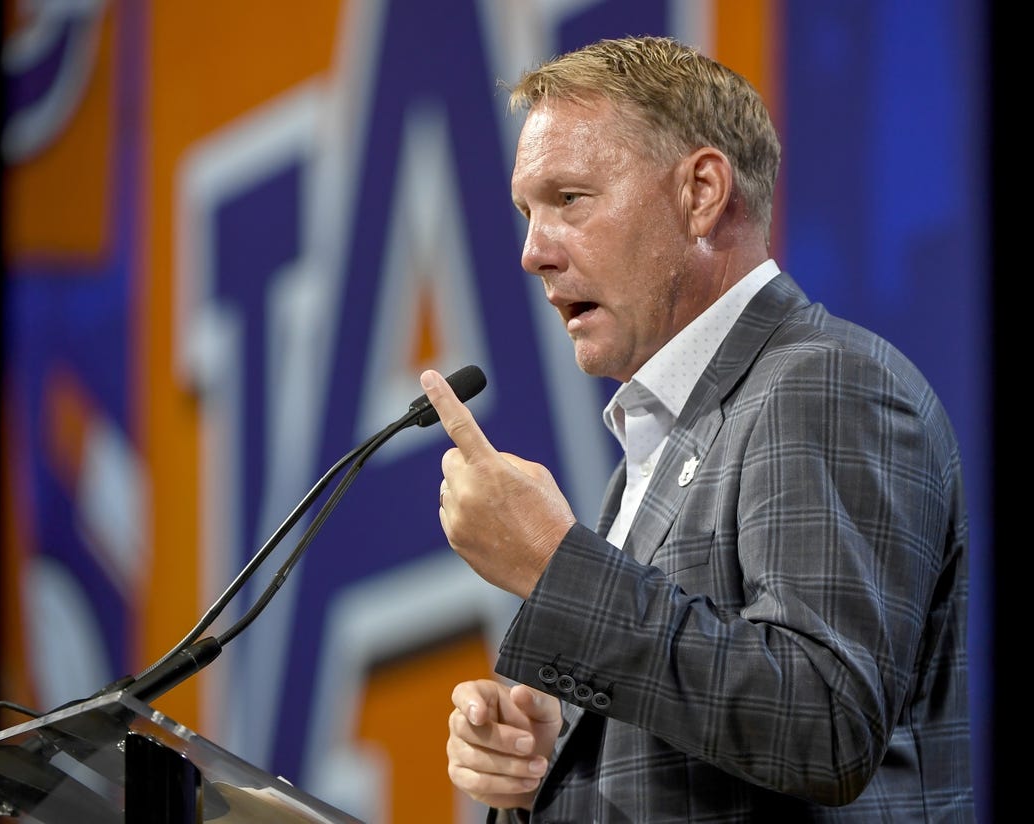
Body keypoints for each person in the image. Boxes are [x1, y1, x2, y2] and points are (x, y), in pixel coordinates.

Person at [417, 34, 974, 822]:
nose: (533, 253)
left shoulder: (823, 382)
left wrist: (555, 567)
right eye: (526, 213)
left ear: (702, 192)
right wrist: (554, 761)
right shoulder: (653, 452)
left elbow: (824, 720)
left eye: (570, 198)